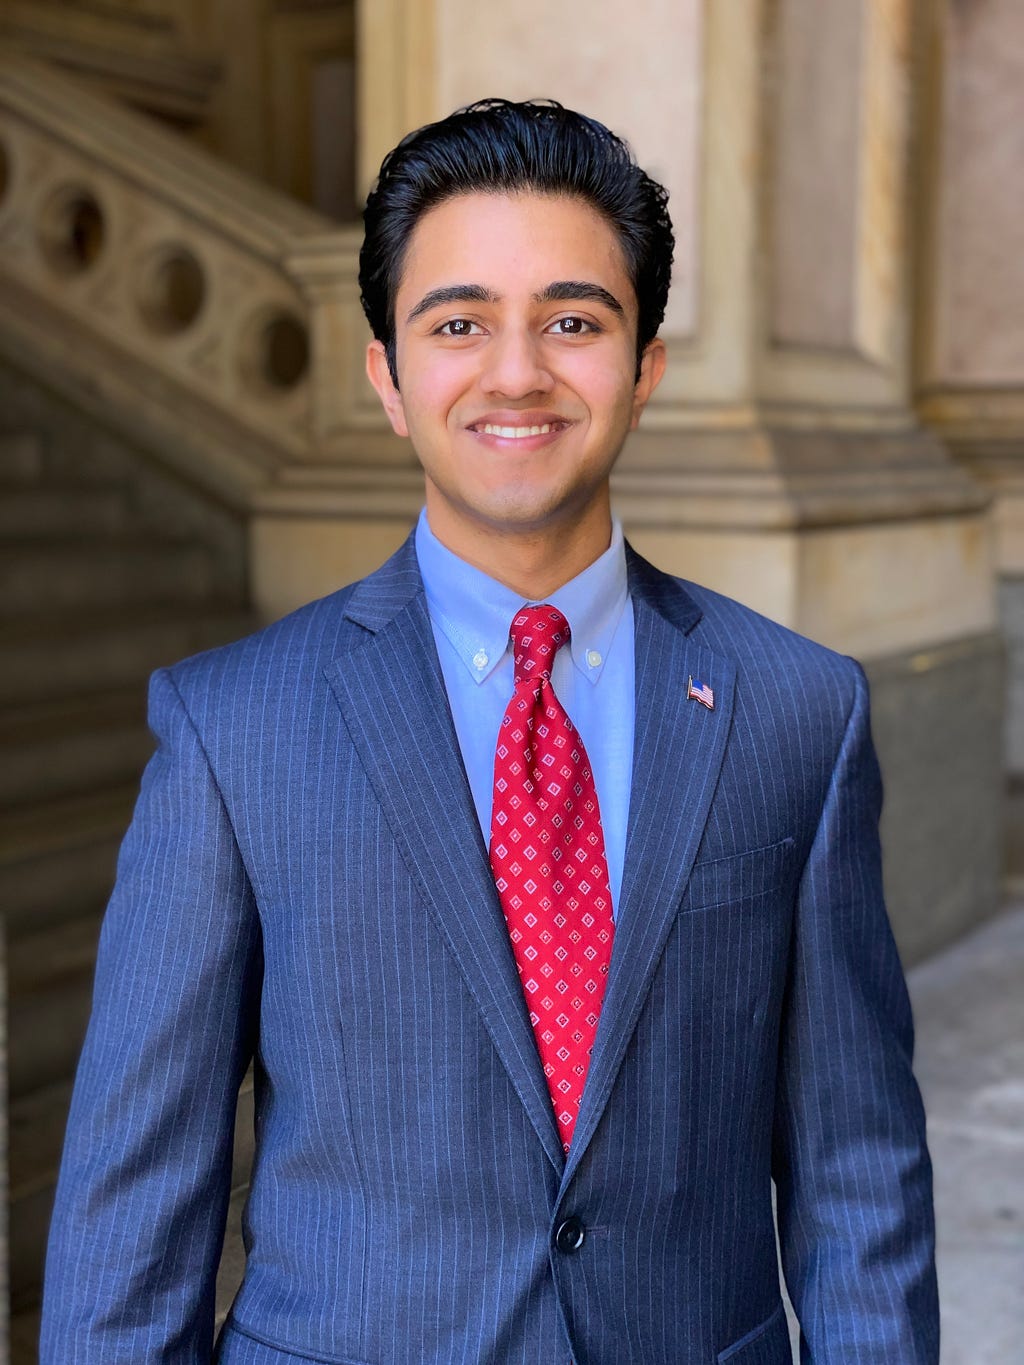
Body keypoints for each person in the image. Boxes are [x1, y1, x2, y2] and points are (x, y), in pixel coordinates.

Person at [41, 99, 939, 1364]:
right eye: (457, 323)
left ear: (644, 368)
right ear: (389, 378)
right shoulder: (231, 729)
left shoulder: (797, 708)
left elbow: (856, 1170)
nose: (516, 371)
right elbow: (134, 1218)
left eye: (573, 321)